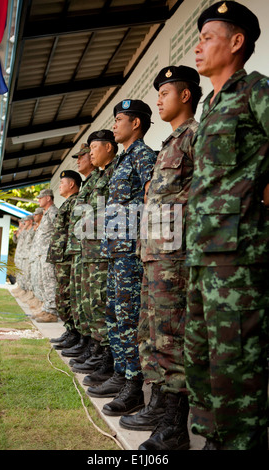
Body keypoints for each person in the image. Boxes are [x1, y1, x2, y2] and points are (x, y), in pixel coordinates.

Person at [184, 1, 269, 450]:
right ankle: (213, 437)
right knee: (200, 356)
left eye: (207, 38)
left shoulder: (256, 90)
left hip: (238, 257)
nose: (198, 48)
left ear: (236, 43)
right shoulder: (211, 108)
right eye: (198, 38)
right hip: (202, 254)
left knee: (235, 362)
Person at [119, 66, 202, 450]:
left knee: (171, 338)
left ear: (185, 96)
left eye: (164, 92)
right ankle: (161, 406)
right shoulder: (170, 143)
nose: (158, 99)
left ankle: (175, 426)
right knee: (153, 336)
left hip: (175, 259)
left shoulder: (195, 137)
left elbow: (203, 195)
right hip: (155, 257)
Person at [87, 100, 157, 418]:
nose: (114, 125)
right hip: (116, 253)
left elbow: (153, 198)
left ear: (136, 124)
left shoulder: (143, 155)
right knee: (115, 317)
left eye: (119, 120)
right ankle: (120, 373)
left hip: (131, 253)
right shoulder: (122, 160)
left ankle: (134, 387)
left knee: (129, 320)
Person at [70, 130, 117, 388]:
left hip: (103, 250)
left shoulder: (113, 172)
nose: (87, 155)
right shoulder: (96, 177)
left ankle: (105, 356)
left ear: (108, 147)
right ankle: (94, 348)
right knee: (89, 303)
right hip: (89, 249)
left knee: (100, 303)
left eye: (92, 149)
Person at [59, 144, 99, 353]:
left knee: (91, 301)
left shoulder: (98, 181)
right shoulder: (89, 186)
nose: (79, 160)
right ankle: (82, 339)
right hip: (79, 251)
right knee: (79, 300)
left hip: (92, 252)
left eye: (82, 156)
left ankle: (90, 345)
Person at [46, 170, 82, 346]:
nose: (59, 186)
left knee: (67, 295)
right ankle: (69, 330)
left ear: (72, 184)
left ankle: (74, 333)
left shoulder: (75, 203)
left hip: (68, 257)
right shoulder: (67, 203)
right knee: (62, 295)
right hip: (61, 256)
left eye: (62, 183)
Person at [33, 188, 58, 323]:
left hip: (49, 254)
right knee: (44, 282)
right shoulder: (46, 213)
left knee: (50, 282)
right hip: (42, 254)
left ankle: (52, 312)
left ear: (48, 198)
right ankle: (47, 308)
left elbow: (59, 231)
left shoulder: (53, 212)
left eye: (41, 197)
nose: (39, 200)